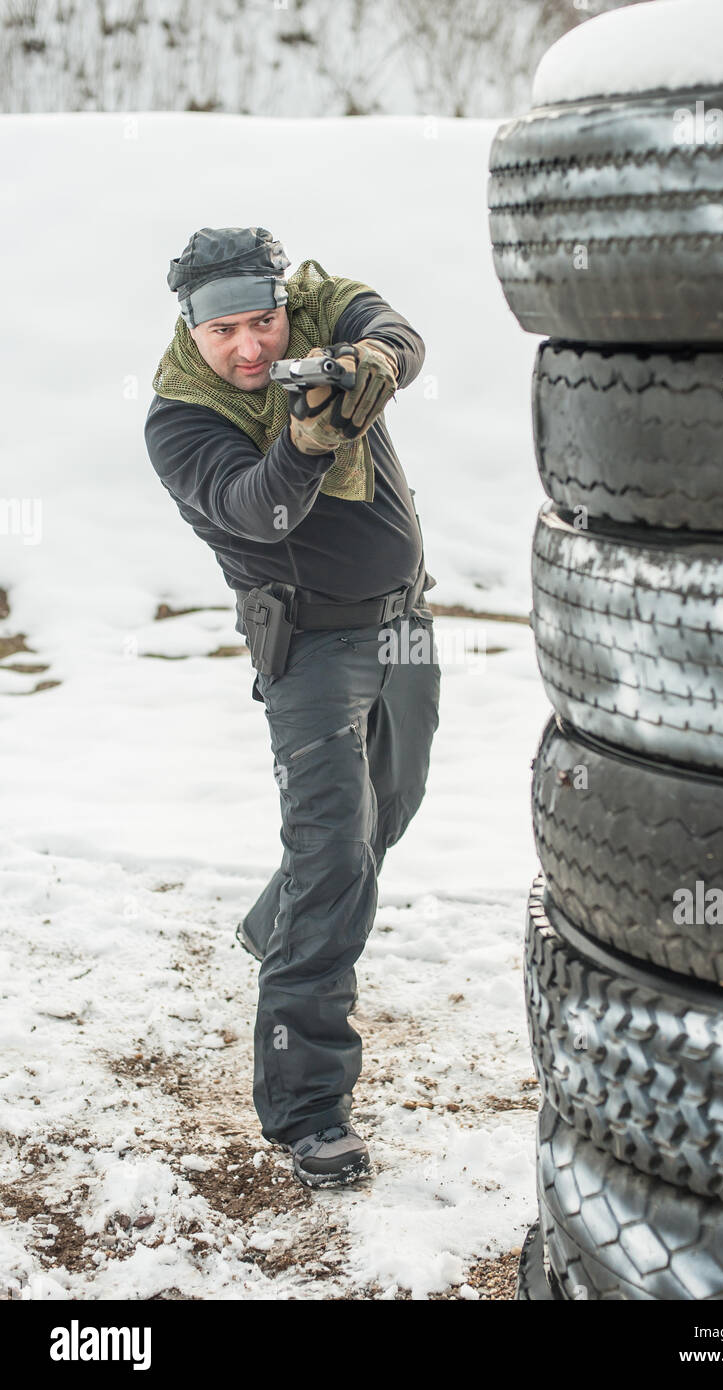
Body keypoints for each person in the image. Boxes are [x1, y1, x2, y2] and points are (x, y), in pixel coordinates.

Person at [144, 226, 440, 1188]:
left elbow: (398, 331)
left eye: (262, 321)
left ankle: (273, 932)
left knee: (390, 808)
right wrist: (313, 434)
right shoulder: (179, 420)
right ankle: (309, 1113)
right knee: (332, 860)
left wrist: (370, 363)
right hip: (311, 648)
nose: (251, 350)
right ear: (193, 332)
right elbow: (259, 511)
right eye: (224, 330)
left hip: (405, 622)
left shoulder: (323, 307)